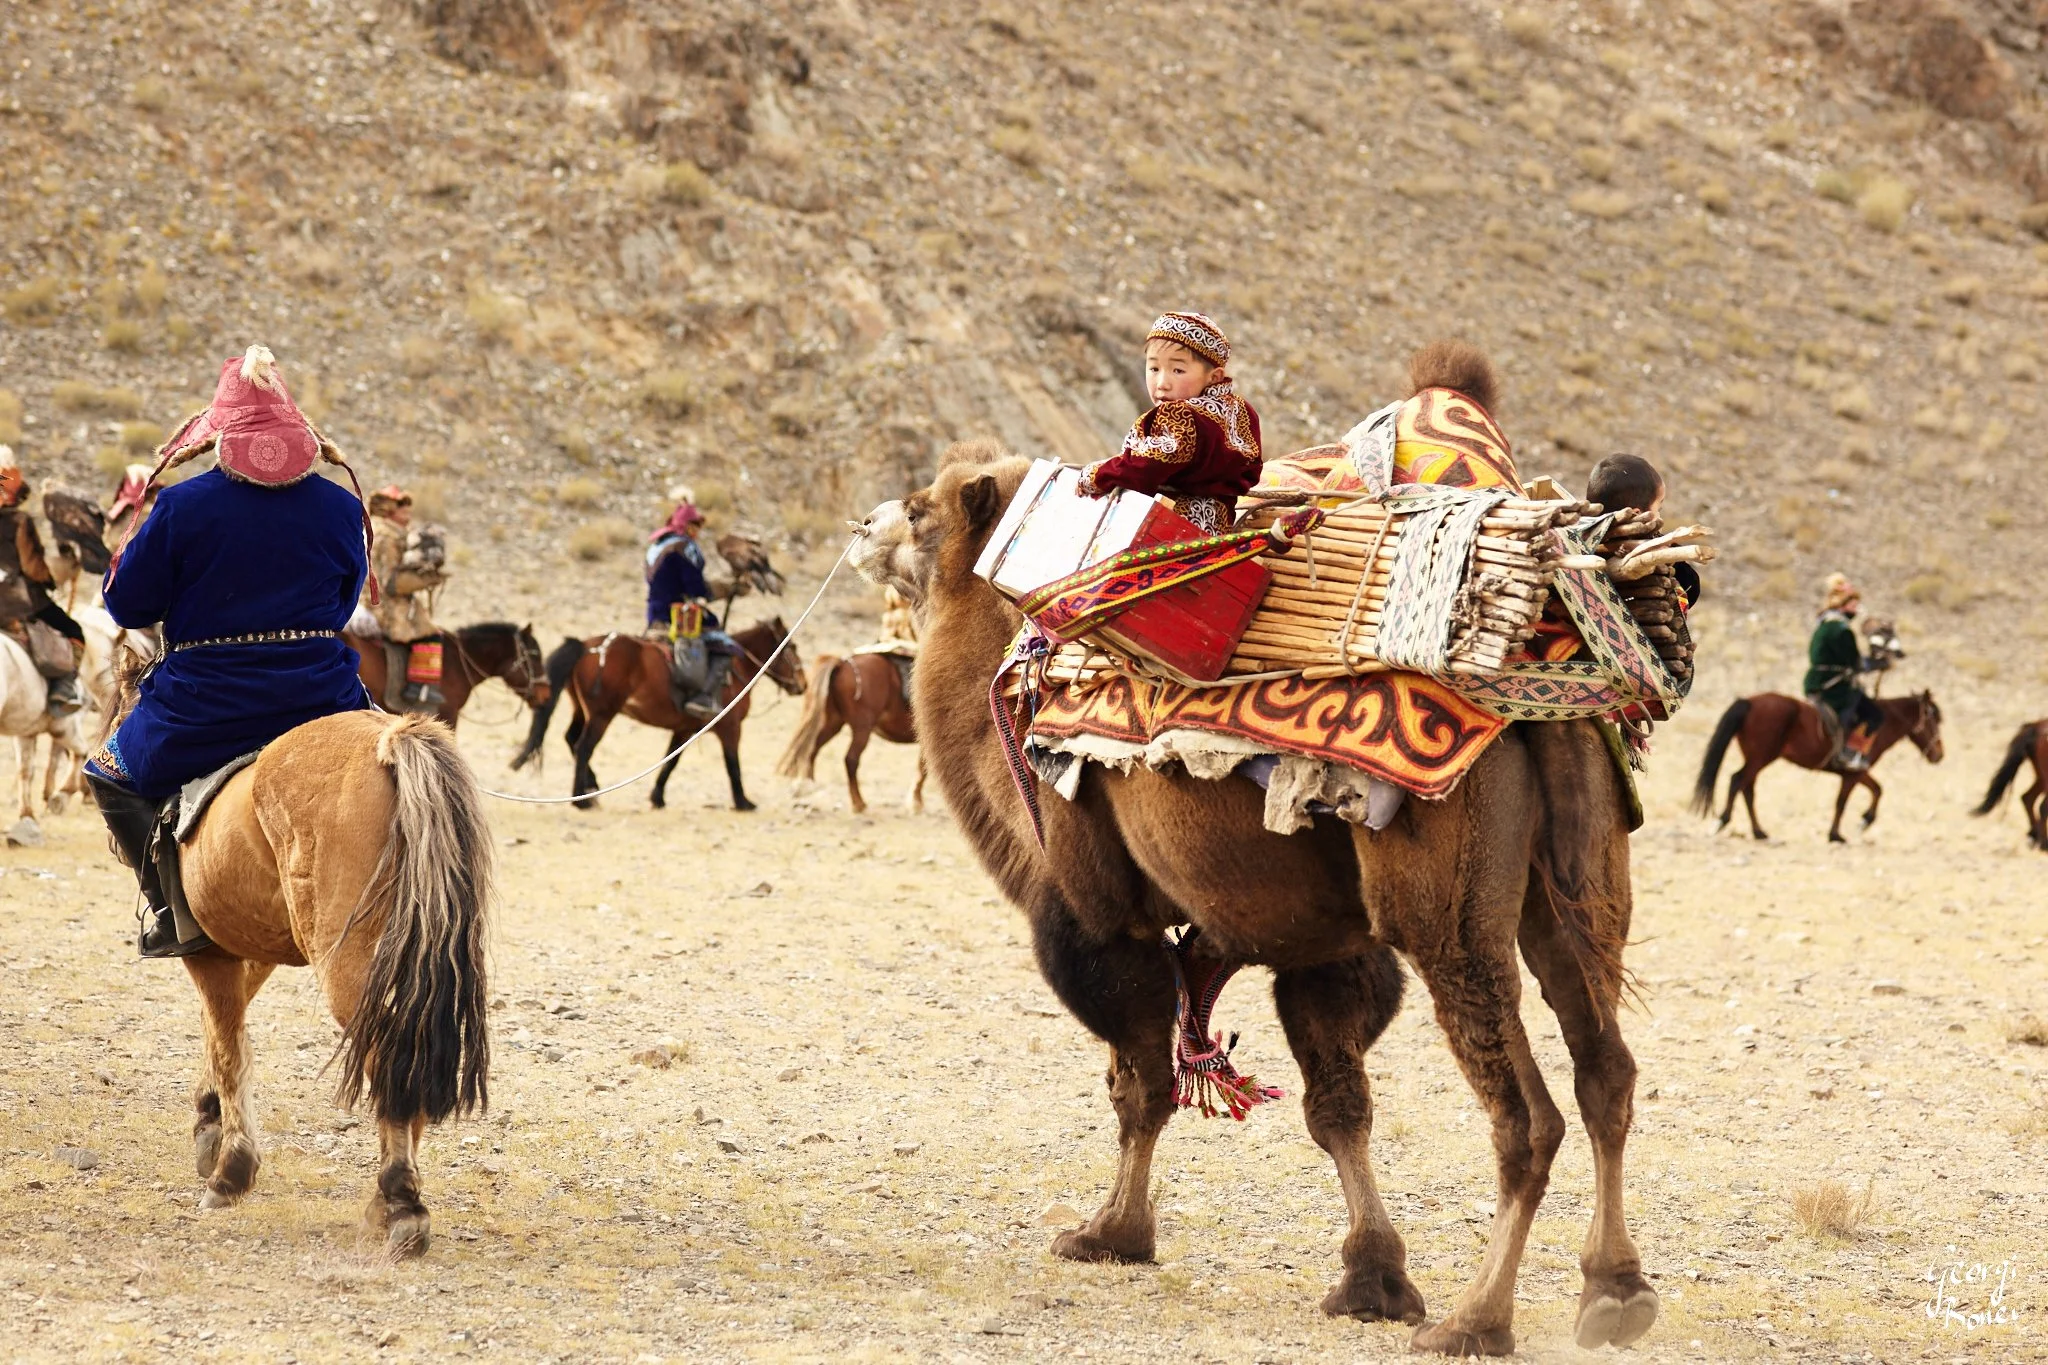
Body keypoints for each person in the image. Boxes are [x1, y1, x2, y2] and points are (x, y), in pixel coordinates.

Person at [86, 345, 374, 957]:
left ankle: (172, 912)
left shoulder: (184, 505)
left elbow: (129, 607)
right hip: (322, 694)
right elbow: (347, 603)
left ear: (220, 435)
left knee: (108, 775)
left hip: (204, 701)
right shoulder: (344, 506)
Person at [1076, 311, 1263, 533]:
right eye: (1154, 369)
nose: (1162, 383)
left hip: (1167, 530)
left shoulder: (1181, 416)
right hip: (1213, 532)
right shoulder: (1240, 412)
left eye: (1178, 370)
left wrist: (1095, 475)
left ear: (1214, 377)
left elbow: (1144, 466)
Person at [0, 447, 86, 711]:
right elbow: (31, 565)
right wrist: (48, 581)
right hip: (18, 602)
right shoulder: (19, 521)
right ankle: (64, 688)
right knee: (74, 630)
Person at [646, 495, 740, 721]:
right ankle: (704, 697)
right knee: (726, 646)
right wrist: (726, 588)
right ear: (685, 526)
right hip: (679, 615)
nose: (697, 531)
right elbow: (695, 587)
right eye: (694, 525)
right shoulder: (684, 547)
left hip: (654, 613)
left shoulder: (657, 546)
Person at [363, 485, 447, 710]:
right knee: (431, 634)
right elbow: (390, 581)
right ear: (390, 510)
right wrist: (426, 580)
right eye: (404, 513)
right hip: (384, 604)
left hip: (363, 599)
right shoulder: (389, 537)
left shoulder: (371, 528)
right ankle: (419, 687)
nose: (408, 519)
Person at [1587, 451, 1700, 609]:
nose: (1659, 515)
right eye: (1658, 507)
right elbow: (1690, 591)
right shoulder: (1651, 562)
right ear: (1637, 514)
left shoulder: (1583, 540)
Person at [1804, 573, 1884, 771]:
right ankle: (1848, 753)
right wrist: (1878, 663)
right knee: (1872, 714)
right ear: (1842, 604)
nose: (1855, 610)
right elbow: (1855, 663)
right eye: (1853, 606)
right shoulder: (1841, 630)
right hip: (1834, 686)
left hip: (1815, 681)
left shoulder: (1823, 624)